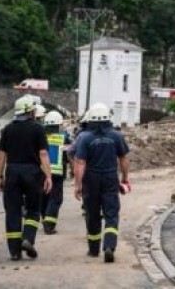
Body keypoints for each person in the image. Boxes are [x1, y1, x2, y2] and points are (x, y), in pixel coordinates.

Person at [0, 95, 52, 261]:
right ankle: (28, 238)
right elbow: (43, 154)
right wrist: (48, 176)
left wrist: (0, 176)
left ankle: (14, 252)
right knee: (34, 208)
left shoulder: (7, 129)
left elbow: (1, 155)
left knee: (13, 211)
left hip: (12, 171)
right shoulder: (38, 129)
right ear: (30, 111)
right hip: (32, 172)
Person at [73, 103, 130, 263]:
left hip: (91, 179)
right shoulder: (116, 136)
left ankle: (93, 250)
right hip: (110, 178)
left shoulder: (84, 137)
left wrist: (78, 185)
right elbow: (124, 159)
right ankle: (109, 247)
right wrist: (125, 178)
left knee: (92, 213)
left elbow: (80, 162)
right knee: (111, 213)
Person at [41, 111, 70, 234]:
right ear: (59, 124)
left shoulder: (40, 136)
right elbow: (69, 152)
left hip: (42, 172)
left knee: (44, 197)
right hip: (57, 173)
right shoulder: (63, 136)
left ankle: (45, 220)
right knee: (56, 198)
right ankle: (49, 224)